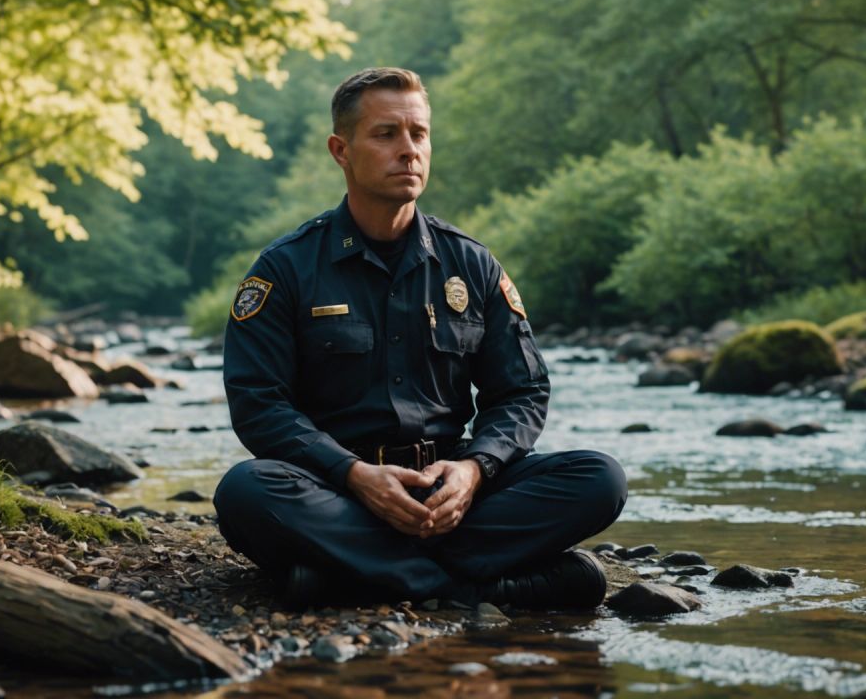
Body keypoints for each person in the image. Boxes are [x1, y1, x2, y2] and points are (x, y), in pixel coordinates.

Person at [212, 67, 627, 610]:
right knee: (246, 491)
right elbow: (257, 404)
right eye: (386, 134)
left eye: (419, 134)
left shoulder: (471, 264)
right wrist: (354, 475)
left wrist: (475, 469)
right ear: (341, 150)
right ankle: (472, 587)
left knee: (600, 478)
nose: (409, 150)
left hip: (450, 492)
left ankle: (350, 578)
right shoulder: (285, 269)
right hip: (339, 491)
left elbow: (522, 392)